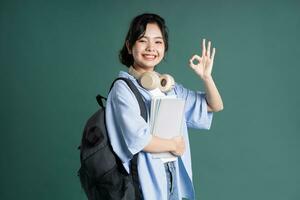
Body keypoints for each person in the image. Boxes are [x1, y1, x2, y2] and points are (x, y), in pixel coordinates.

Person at [105, 13, 223, 200]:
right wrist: (173, 145)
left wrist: (207, 77)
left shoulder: (168, 87)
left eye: (158, 42)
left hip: (171, 173)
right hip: (143, 177)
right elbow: (138, 138)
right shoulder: (123, 88)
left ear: (164, 47)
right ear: (129, 46)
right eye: (143, 40)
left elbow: (213, 105)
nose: (151, 48)